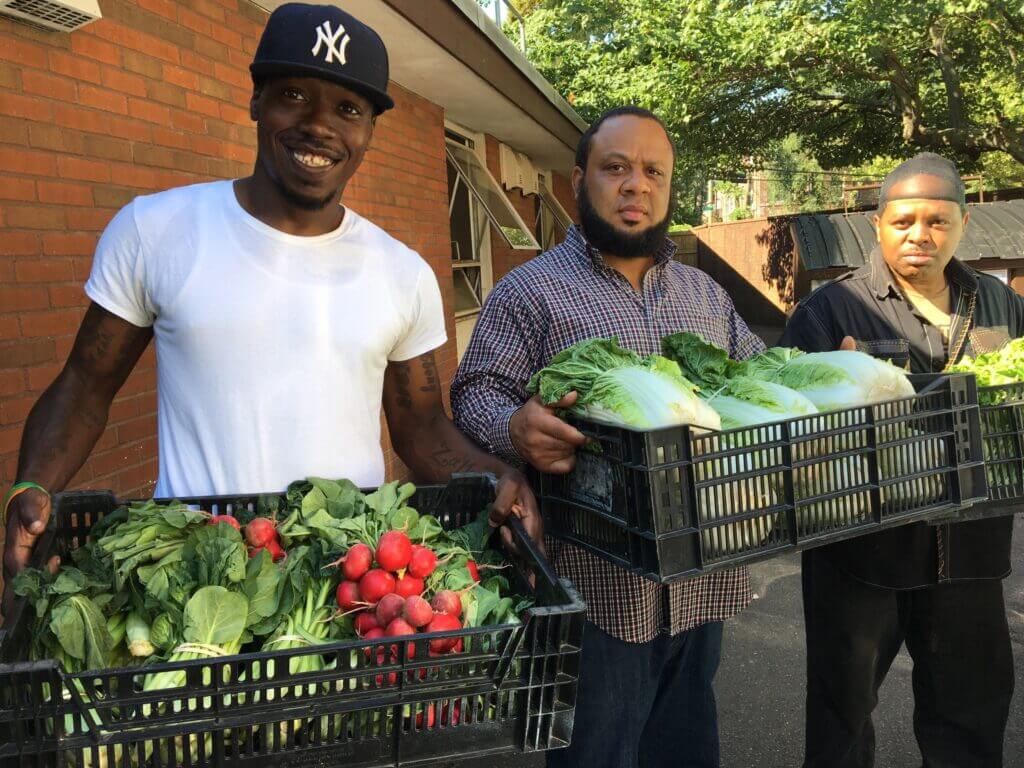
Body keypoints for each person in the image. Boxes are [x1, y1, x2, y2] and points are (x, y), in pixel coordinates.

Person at [1, 2, 540, 607]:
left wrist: (502, 476)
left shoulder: (402, 273)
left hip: (347, 595)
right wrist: (31, 486)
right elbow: (83, 387)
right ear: (256, 100)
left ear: (368, 131)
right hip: (195, 583)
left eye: (348, 109)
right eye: (293, 94)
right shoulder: (155, 232)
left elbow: (420, 430)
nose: (319, 125)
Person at [450, 106, 764, 768]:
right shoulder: (530, 291)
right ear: (577, 181)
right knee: (597, 753)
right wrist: (512, 427)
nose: (636, 186)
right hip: (596, 592)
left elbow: (753, 377)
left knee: (685, 750)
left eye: (654, 171)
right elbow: (474, 391)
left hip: (704, 577)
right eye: (615, 168)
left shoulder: (706, 295)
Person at [780, 152, 1020, 768]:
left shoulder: (999, 303)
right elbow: (782, 427)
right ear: (878, 223)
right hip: (861, 550)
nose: (921, 235)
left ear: (964, 224)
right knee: (842, 716)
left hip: (971, 546)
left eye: (938, 221)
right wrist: (839, 387)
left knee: (971, 711)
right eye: (905, 220)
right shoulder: (829, 312)